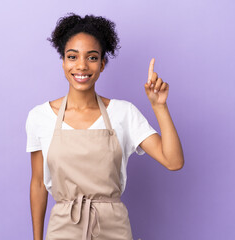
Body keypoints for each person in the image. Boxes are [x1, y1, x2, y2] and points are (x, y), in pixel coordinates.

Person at [26, 12, 184, 240]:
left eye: (91, 57)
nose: (81, 66)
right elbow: (38, 185)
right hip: (63, 229)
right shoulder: (40, 117)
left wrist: (159, 107)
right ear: (63, 62)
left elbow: (174, 161)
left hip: (113, 229)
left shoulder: (123, 113)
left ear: (102, 64)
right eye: (72, 57)